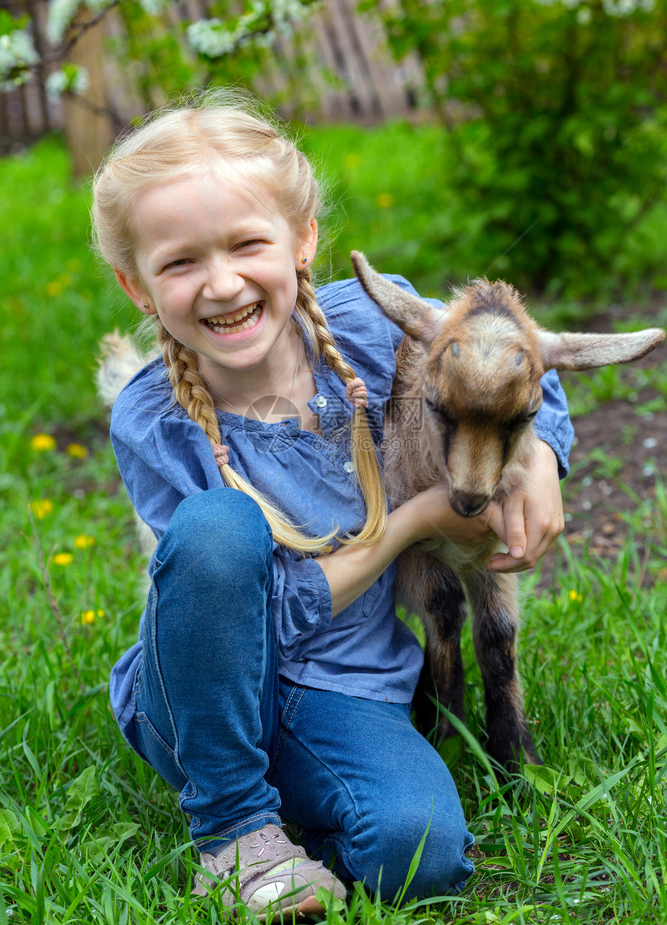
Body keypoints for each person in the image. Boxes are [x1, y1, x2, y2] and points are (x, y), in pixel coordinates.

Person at [92, 89, 573, 919]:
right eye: (179, 263)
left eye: (248, 244)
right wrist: (415, 523)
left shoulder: (371, 325)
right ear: (137, 285)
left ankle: (305, 803)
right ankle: (235, 826)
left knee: (416, 856)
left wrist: (542, 462)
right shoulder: (152, 420)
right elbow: (256, 616)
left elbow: (511, 359)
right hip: (200, 696)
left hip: (344, 689)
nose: (222, 283)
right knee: (217, 530)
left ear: (304, 238)